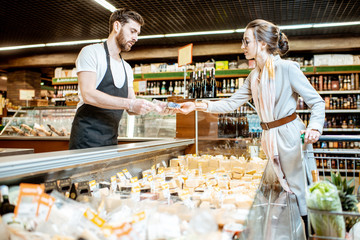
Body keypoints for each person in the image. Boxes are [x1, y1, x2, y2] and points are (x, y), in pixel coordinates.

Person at [176, 19, 325, 235]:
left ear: (263, 44)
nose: (242, 46)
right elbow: (231, 102)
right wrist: (197, 106)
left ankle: (310, 234)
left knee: (300, 193)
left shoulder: (287, 68)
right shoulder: (254, 76)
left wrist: (315, 128)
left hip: (290, 136)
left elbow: (317, 102)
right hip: (270, 137)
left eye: (246, 41)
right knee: (287, 192)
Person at [69, 8, 155, 149]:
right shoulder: (91, 52)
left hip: (111, 140)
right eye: (132, 31)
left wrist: (155, 107)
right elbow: (88, 94)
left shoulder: (126, 67)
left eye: (137, 34)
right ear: (117, 26)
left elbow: (132, 107)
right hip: (86, 139)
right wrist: (130, 104)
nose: (136, 38)